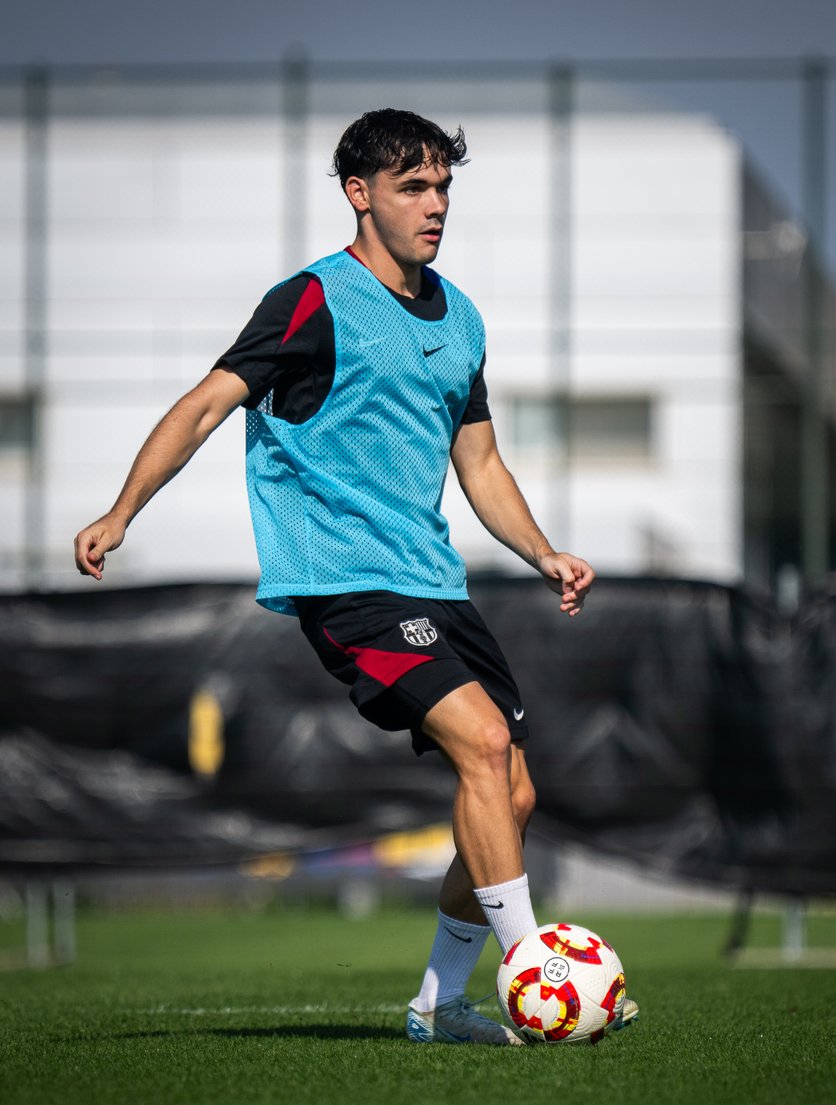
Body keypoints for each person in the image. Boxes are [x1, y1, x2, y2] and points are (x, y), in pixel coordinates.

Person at [74, 108, 636, 1045]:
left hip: (437, 584)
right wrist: (122, 510)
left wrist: (542, 553)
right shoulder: (311, 301)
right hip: (346, 580)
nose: (435, 205)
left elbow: (482, 466)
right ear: (359, 193)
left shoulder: (460, 318)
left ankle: (436, 1005)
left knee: (513, 793)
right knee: (484, 744)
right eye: (413, 186)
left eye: (444, 186)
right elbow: (207, 403)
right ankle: (536, 967)